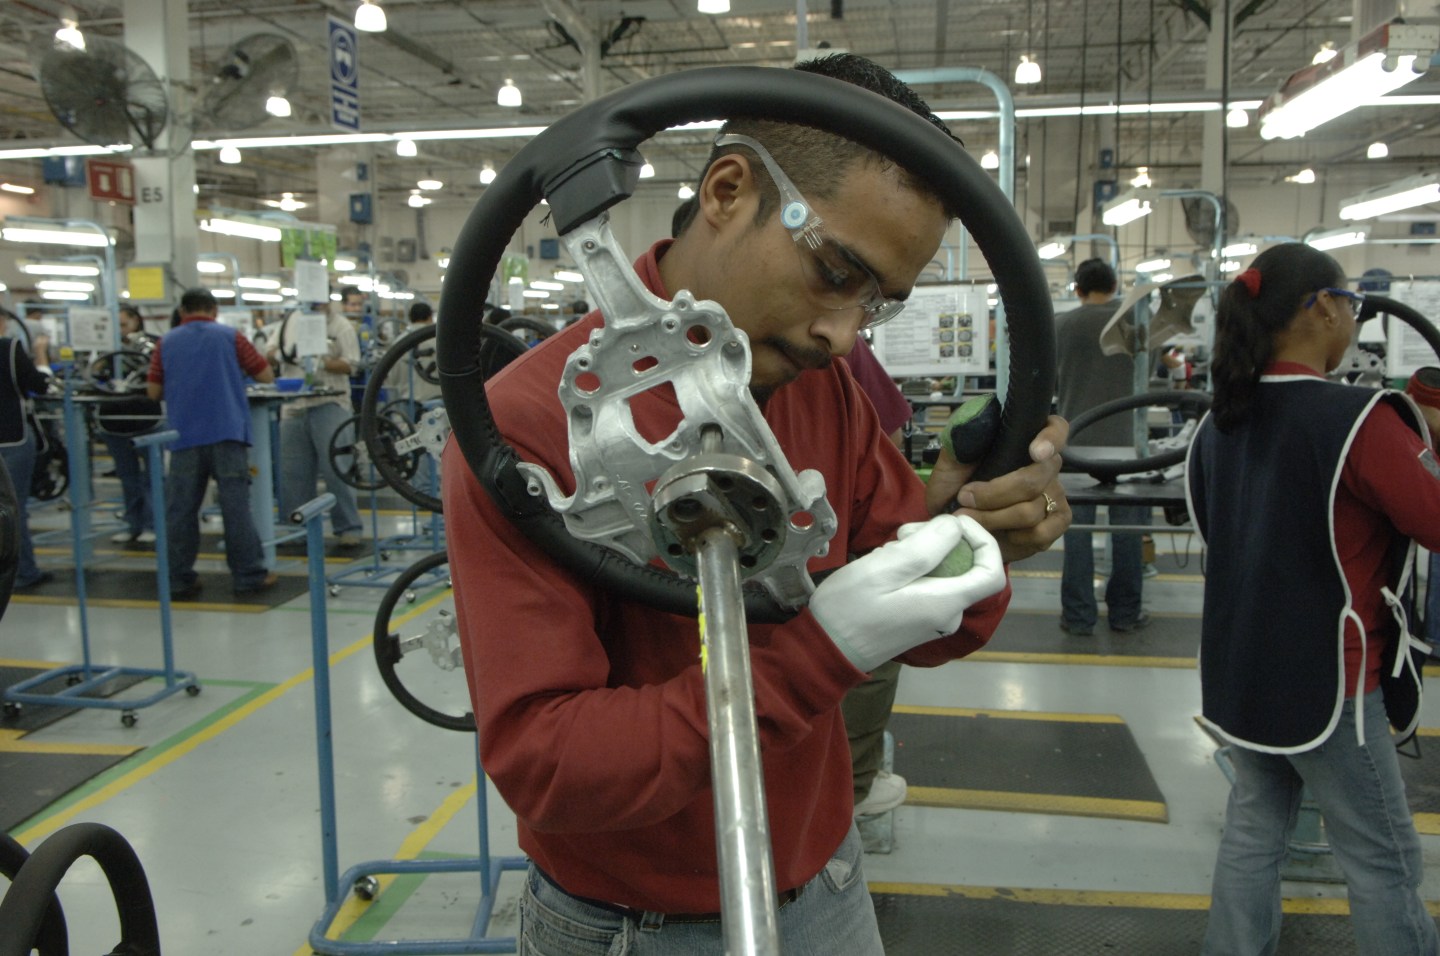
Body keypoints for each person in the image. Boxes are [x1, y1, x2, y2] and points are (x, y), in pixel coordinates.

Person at [443, 53, 1070, 952]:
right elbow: (550, 765)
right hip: (629, 926)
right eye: (832, 270)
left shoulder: (822, 384)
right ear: (729, 190)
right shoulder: (525, 426)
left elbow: (938, 631)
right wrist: (815, 655)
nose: (842, 334)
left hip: (828, 882)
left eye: (878, 304)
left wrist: (977, 546)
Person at [1186, 243, 1440, 955]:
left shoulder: (1217, 425)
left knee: (1252, 838)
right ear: (1323, 307)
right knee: (1384, 861)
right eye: (1351, 306)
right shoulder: (1358, 420)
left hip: (1244, 676)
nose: (1354, 321)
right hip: (1336, 684)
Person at [147, 288, 276, 598]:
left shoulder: (166, 342)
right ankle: (248, 576)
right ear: (215, 310)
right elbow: (266, 376)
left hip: (183, 437)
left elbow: (152, 391)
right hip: (227, 432)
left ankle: (178, 579)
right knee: (235, 509)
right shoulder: (232, 337)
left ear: (182, 310)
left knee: (181, 511)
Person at [840, 336, 917, 819]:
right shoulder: (834, 340)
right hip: (836, 531)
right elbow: (890, 438)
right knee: (871, 649)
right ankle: (854, 789)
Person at [1055, 258, 1151, 635]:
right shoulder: (1136, 323)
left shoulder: (1060, 325)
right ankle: (1125, 614)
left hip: (1075, 443)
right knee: (1127, 532)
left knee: (1076, 533)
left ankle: (1078, 616)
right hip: (1127, 446)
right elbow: (1150, 370)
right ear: (1114, 286)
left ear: (1077, 289)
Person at [268, 301, 364, 548]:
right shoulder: (289, 322)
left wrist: (322, 361)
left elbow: (352, 364)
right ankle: (296, 529)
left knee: (337, 470)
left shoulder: (340, 326)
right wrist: (283, 354)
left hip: (330, 403)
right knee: (293, 473)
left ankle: (348, 527)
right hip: (293, 405)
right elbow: (268, 352)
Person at [0, 309, 54, 589]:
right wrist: (41, 356)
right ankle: (24, 572)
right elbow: (40, 386)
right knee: (12, 509)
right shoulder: (9, 348)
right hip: (11, 439)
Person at [100, 305, 160, 546]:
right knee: (128, 478)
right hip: (114, 421)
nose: (120, 331)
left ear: (136, 321)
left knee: (152, 478)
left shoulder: (154, 345)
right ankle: (132, 523)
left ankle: (152, 524)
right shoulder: (104, 350)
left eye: (123, 325)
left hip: (147, 419)